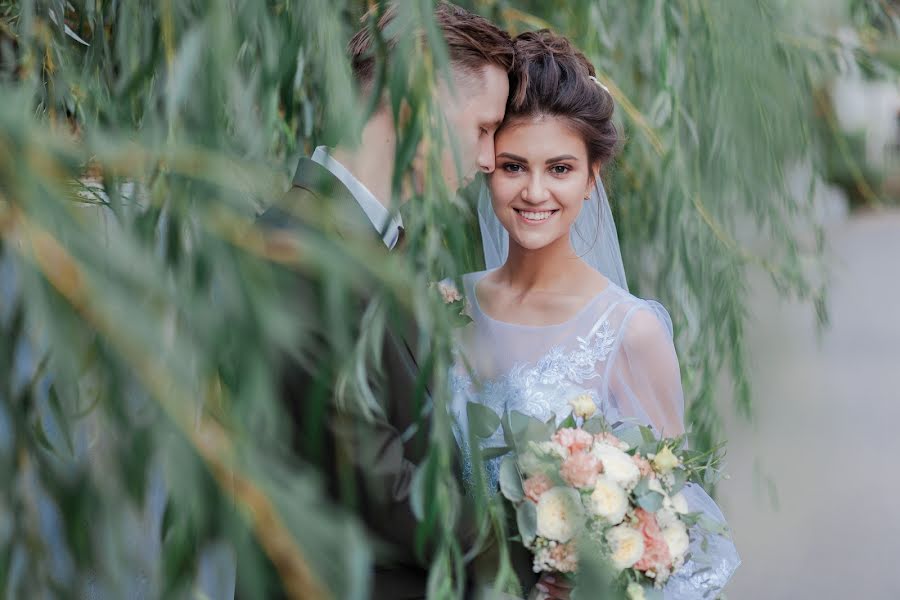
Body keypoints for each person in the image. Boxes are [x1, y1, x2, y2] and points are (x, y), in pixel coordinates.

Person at [451, 30, 740, 600]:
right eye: (513, 166)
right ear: (487, 166)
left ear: (592, 177)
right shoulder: (442, 306)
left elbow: (671, 539)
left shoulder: (631, 332)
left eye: (559, 168)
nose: (535, 192)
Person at [258, 3, 514, 598]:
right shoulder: (298, 252)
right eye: (482, 127)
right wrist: (542, 561)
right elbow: (384, 487)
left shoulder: (369, 244)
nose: (486, 159)